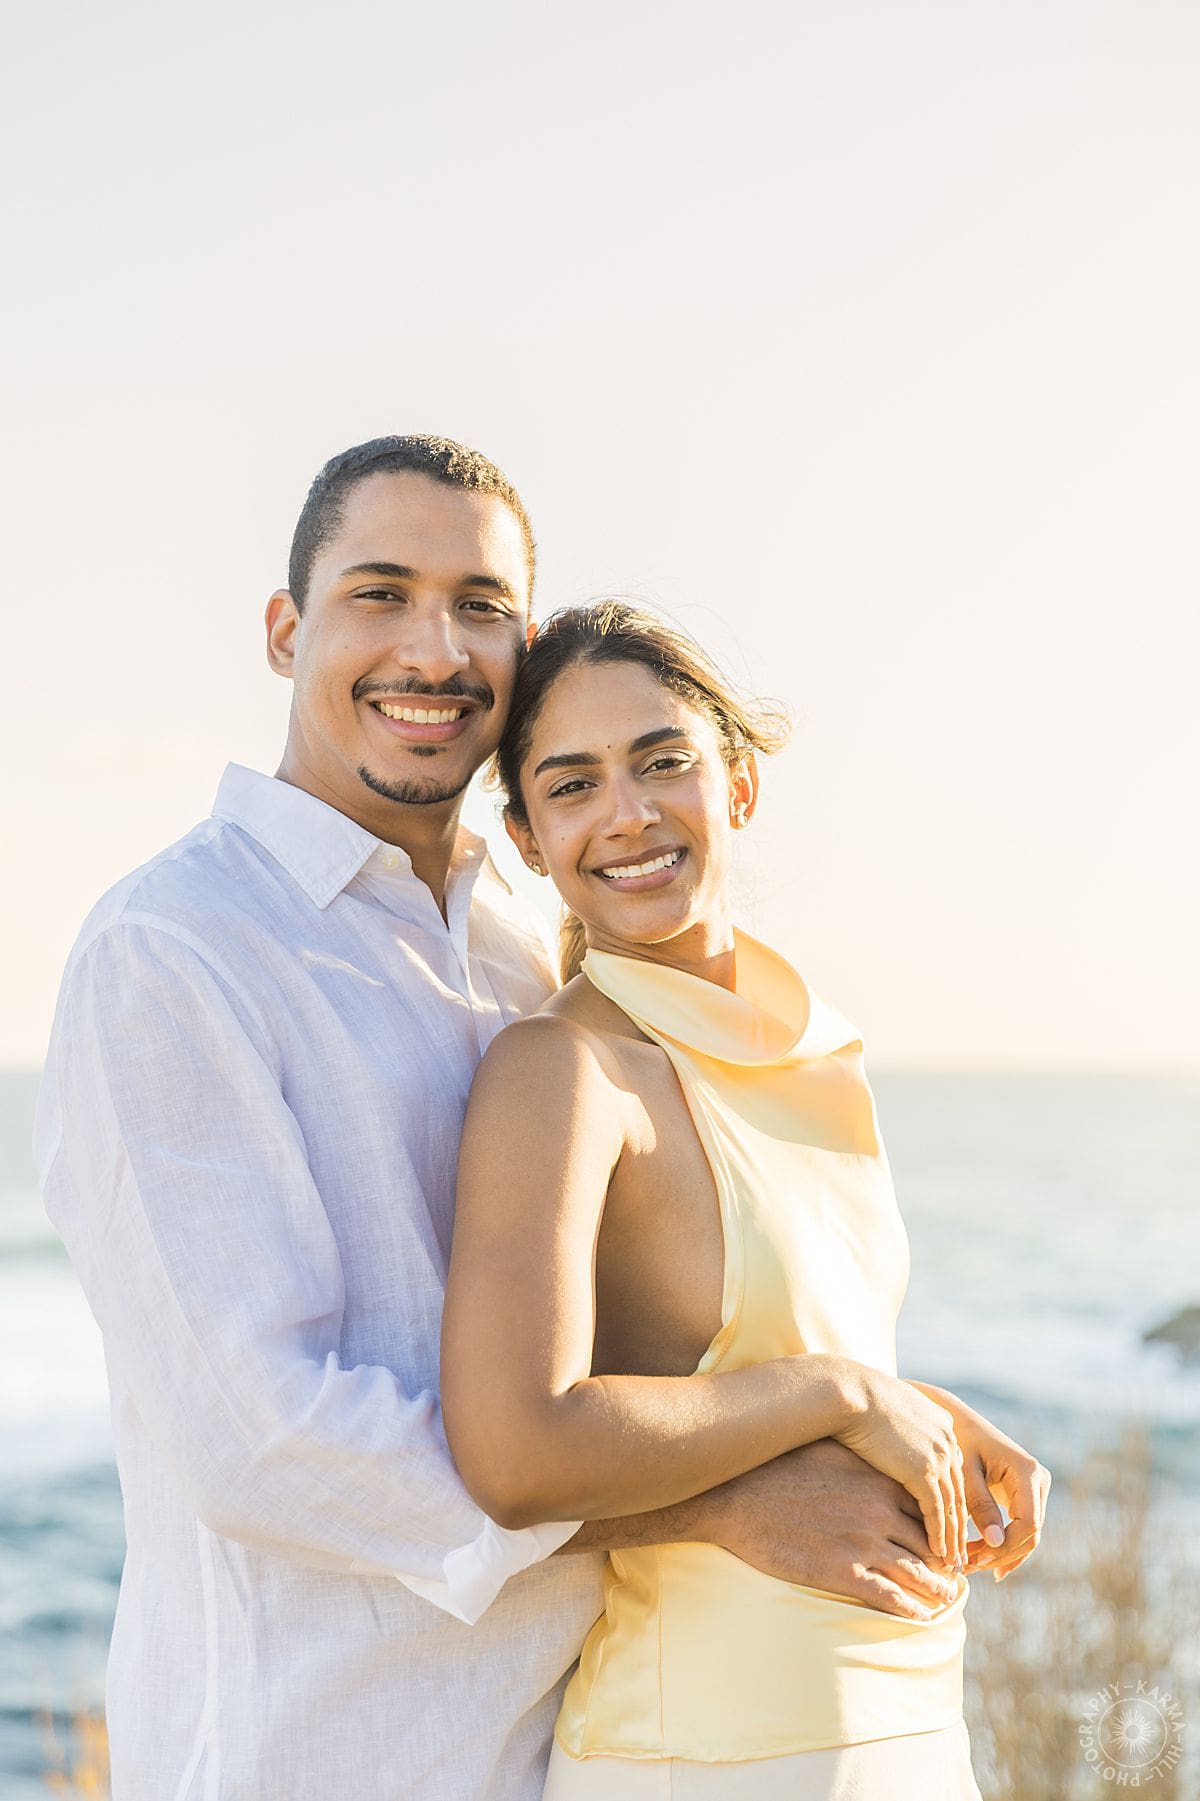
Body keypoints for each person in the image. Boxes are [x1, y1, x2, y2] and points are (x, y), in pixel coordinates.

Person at [35, 438, 1039, 1801]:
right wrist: (715, 1500)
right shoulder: (174, 952)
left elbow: (639, 1329)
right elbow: (260, 1433)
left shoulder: (530, 954)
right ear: (285, 631)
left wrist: (873, 1413)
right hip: (320, 1755)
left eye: (483, 605)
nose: (435, 649)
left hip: (577, 1742)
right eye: (380, 593)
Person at [441, 600, 1052, 1798]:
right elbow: (516, 1450)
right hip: (702, 1751)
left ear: (741, 781)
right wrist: (840, 1389)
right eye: (571, 786)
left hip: (908, 1722)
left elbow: (733, 1347)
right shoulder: (561, 1070)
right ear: (525, 837)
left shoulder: (817, 1049)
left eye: (663, 760)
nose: (627, 813)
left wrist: (920, 1414)